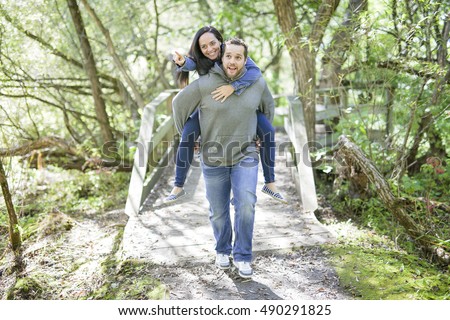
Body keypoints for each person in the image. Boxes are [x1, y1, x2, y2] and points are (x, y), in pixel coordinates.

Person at [172, 38, 274, 278]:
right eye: (229, 56)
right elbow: (178, 104)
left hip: (245, 154)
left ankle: (243, 255)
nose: (233, 61)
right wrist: (190, 136)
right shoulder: (206, 83)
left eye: (239, 57)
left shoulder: (256, 81)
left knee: (246, 203)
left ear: (245, 60)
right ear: (222, 57)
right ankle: (222, 249)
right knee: (218, 211)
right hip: (213, 156)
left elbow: (268, 107)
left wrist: (261, 134)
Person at [165, 26, 287, 204]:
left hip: (243, 108)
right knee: (187, 134)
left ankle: (270, 182)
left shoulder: (234, 53)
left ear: (221, 42)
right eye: (204, 46)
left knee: (268, 130)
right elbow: (192, 64)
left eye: (213, 43)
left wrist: (233, 87)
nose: (210, 49)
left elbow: (255, 72)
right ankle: (178, 186)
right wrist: (182, 62)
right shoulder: (205, 61)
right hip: (211, 109)